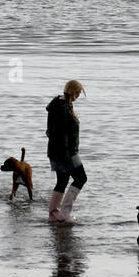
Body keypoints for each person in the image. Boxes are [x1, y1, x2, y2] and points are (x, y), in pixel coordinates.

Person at [46, 79, 87, 222]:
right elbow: (60, 134)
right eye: (79, 93)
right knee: (81, 178)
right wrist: (66, 155)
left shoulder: (59, 105)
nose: (79, 96)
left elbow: (50, 132)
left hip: (57, 151)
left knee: (62, 181)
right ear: (74, 92)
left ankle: (53, 214)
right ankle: (64, 213)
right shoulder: (63, 109)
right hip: (66, 152)